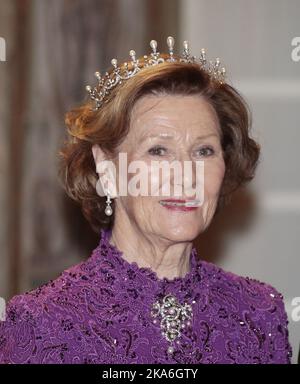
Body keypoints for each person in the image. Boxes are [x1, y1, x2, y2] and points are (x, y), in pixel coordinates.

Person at [0, 36, 292, 364]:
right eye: (158, 150)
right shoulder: (42, 324)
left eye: (204, 151)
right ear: (107, 169)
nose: (186, 175)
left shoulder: (259, 313)